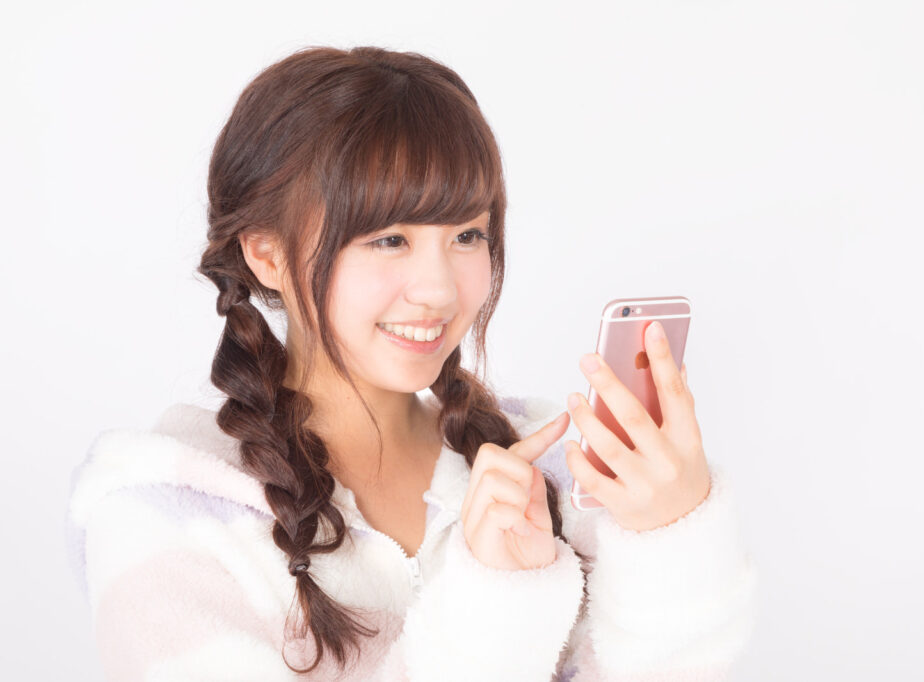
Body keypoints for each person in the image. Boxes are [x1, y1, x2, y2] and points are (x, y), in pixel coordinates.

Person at [65, 45, 758, 681]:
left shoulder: (548, 468)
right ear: (267, 253)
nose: (439, 289)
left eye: (467, 235)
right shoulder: (165, 514)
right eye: (389, 239)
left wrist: (670, 538)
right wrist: (492, 604)